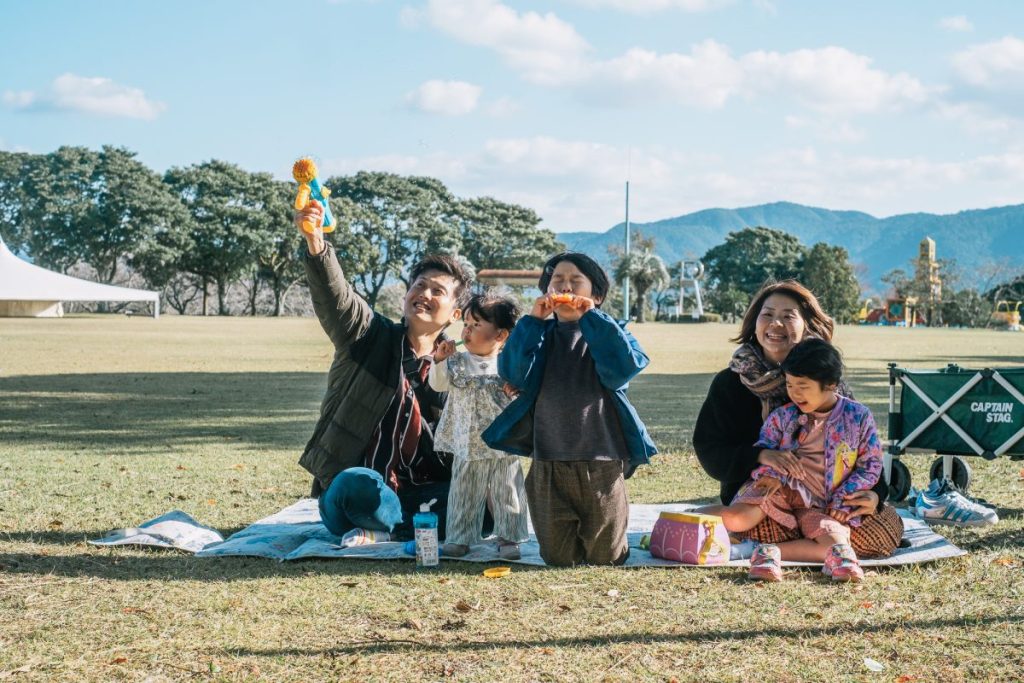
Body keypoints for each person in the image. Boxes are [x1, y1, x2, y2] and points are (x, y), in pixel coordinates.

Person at [295, 199, 471, 541]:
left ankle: (385, 532)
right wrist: (316, 243)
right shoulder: (367, 336)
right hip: (366, 489)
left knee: (487, 497)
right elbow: (338, 298)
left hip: (422, 491)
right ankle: (414, 528)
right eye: (419, 285)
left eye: (438, 291)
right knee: (354, 485)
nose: (424, 294)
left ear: (454, 315)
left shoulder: (456, 369)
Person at [692, 280, 903, 561]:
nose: (775, 324)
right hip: (767, 497)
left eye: (788, 316)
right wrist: (761, 456)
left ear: (807, 324)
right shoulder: (731, 383)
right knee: (759, 524)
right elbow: (710, 450)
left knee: (879, 535)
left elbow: (866, 455)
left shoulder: (829, 383)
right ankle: (765, 543)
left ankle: (774, 547)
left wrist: (874, 496)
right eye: (767, 315)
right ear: (754, 322)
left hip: (830, 501)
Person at [483, 252, 658, 566]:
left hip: (601, 459)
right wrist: (533, 322)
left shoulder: (613, 331)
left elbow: (621, 368)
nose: (565, 287)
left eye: (575, 281)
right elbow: (513, 372)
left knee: (607, 558)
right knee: (557, 558)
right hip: (548, 458)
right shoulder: (538, 334)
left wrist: (593, 319)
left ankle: (616, 542)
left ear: (597, 295)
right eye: (557, 281)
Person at [698, 339, 882, 582]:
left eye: (803, 386)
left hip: (820, 503)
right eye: (790, 384)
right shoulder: (783, 416)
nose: (794, 393)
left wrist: (844, 497)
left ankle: (767, 552)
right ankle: (683, 520)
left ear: (831, 385)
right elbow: (765, 448)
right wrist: (771, 474)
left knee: (836, 541)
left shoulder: (858, 417)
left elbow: (871, 465)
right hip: (777, 490)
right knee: (738, 518)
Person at [428, 292, 528, 561]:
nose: (467, 331)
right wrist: (438, 360)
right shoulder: (456, 361)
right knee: (463, 492)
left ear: (501, 336)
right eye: (466, 325)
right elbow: (437, 385)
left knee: (507, 491)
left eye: (476, 325)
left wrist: (516, 392)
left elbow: (523, 398)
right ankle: (459, 537)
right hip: (466, 442)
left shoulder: (509, 366)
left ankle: (509, 537)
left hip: (501, 443)